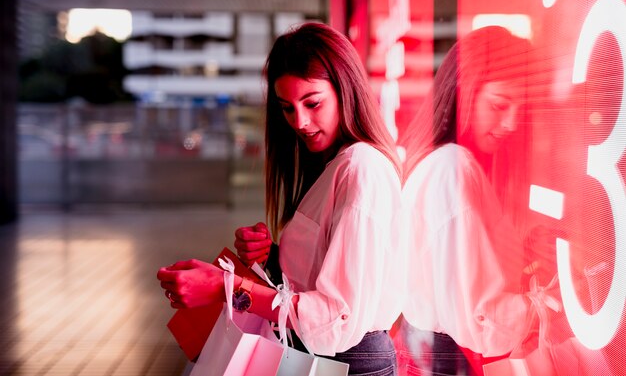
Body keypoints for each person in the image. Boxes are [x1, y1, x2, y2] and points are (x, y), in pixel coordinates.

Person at [157, 22, 404, 375]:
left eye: (312, 103)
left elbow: (338, 315)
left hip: (349, 360)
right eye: (287, 108)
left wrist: (226, 288)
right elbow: (326, 276)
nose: (300, 122)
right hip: (324, 355)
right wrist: (273, 256)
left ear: (346, 90)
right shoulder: (336, 163)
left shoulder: (361, 167)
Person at [396, 26, 539, 375]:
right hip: (449, 361)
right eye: (499, 105)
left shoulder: (441, 162)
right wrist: (547, 307)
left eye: (521, 108)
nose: (511, 123)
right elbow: (481, 319)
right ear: (464, 94)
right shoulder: (452, 168)